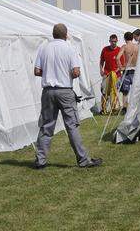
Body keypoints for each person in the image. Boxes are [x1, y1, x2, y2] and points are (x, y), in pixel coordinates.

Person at [33, 23, 102, 169]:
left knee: (46, 126)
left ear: (53, 34)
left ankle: (40, 160)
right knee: (72, 126)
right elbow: (76, 72)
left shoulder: (44, 48)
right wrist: (66, 74)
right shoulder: (70, 48)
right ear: (65, 35)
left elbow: (37, 71)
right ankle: (83, 160)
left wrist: (50, 73)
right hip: (65, 91)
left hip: (48, 91)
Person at [100, 34, 122, 113]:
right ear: (109, 41)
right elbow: (102, 61)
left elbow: (122, 65)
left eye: (115, 41)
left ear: (117, 41)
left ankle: (114, 108)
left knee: (115, 91)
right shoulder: (105, 49)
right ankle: (103, 108)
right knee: (104, 91)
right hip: (106, 74)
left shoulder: (120, 50)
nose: (113, 43)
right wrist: (101, 69)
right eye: (112, 41)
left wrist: (116, 71)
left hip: (116, 75)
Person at [116, 31, 139, 110]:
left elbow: (117, 58)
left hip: (127, 71)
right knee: (137, 90)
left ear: (125, 38)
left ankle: (125, 108)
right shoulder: (137, 46)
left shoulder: (124, 47)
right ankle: (136, 108)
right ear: (132, 38)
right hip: (136, 70)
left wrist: (120, 68)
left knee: (125, 92)